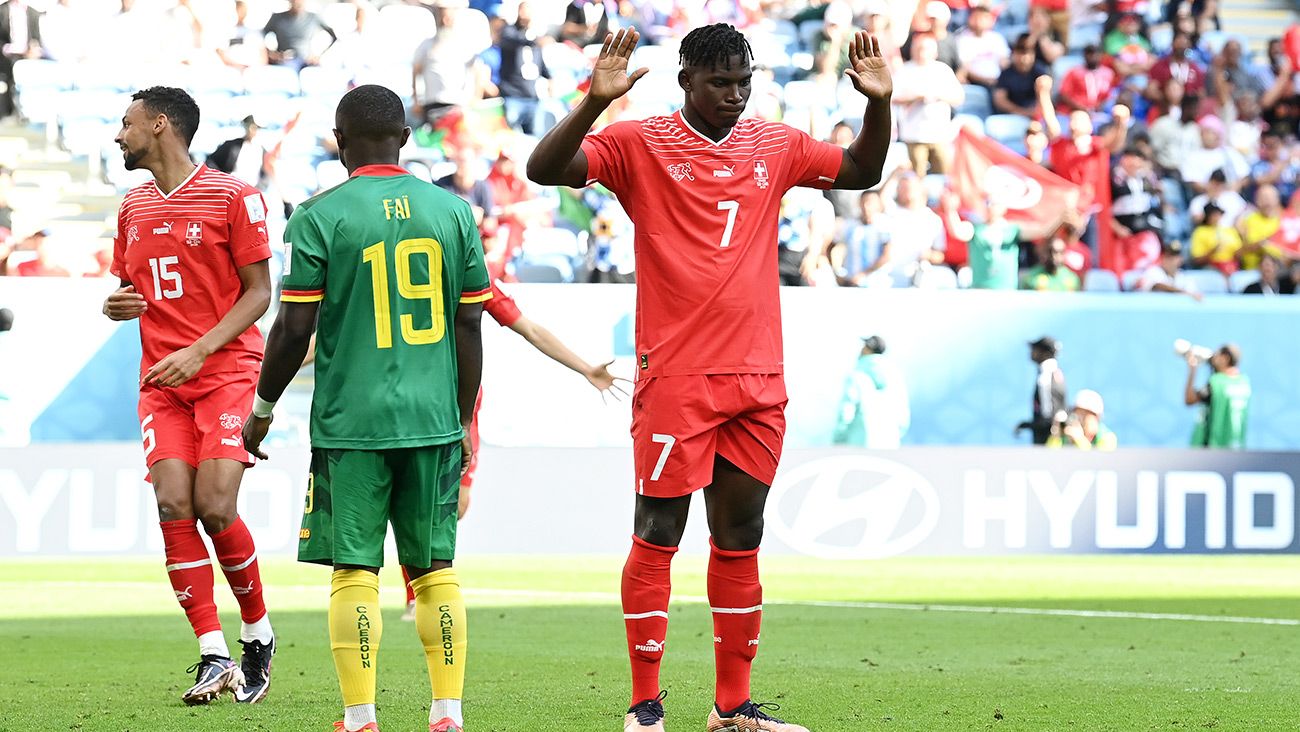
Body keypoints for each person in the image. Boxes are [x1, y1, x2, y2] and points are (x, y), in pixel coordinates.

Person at [526, 24, 893, 732]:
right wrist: (590, 102)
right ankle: (644, 706)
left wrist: (879, 104)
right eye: (719, 82)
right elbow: (546, 169)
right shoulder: (639, 142)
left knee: (742, 533)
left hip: (757, 376)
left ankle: (733, 708)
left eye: (743, 82)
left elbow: (860, 172)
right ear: (686, 81)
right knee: (659, 529)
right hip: (676, 376)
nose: (733, 95)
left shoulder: (777, 144)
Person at [241, 85, 488, 732]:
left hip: (351, 425)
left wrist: (263, 409)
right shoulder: (455, 214)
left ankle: (360, 717)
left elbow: (294, 330)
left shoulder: (320, 217)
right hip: (433, 421)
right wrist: (463, 420)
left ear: (340, 141)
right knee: (435, 570)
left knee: (355, 568)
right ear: (406, 139)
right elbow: (470, 330)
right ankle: (447, 712)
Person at [100, 87, 275, 706]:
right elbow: (128, 288)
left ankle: (257, 635)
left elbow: (261, 293)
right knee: (175, 503)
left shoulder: (234, 196)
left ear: (160, 124)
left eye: (127, 123)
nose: (119, 135)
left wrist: (201, 349)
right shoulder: (131, 206)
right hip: (162, 383)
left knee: (215, 505)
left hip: (225, 371)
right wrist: (116, 304)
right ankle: (212, 653)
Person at [832, 335, 909, 448]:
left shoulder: (856, 377)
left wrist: (838, 440)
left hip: (858, 446)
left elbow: (845, 413)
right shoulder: (896, 380)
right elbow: (903, 419)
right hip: (890, 446)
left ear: (868, 349)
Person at [1185, 343, 1251, 449]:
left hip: (1213, 449)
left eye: (1217, 355)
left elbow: (1189, 399)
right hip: (1236, 447)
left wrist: (1193, 371)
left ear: (1225, 358)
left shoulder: (1217, 384)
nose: (1213, 360)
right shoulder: (1244, 384)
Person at [1017, 336, 1065, 445]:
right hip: (1055, 437)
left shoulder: (1045, 376)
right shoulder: (1057, 372)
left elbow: (1047, 416)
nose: (1032, 352)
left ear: (1045, 353)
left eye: (1035, 348)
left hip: (1048, 440)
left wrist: (1028, 425)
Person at [1046, 388, 1117, 450]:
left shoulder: (1107, 438)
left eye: (1085, 414)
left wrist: (1079, 439)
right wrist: (1056, 435)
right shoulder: (1067, 434)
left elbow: (1099, 462)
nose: (1080, 418)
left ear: (1096, 417)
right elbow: (1049, 458)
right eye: (1077, 413)